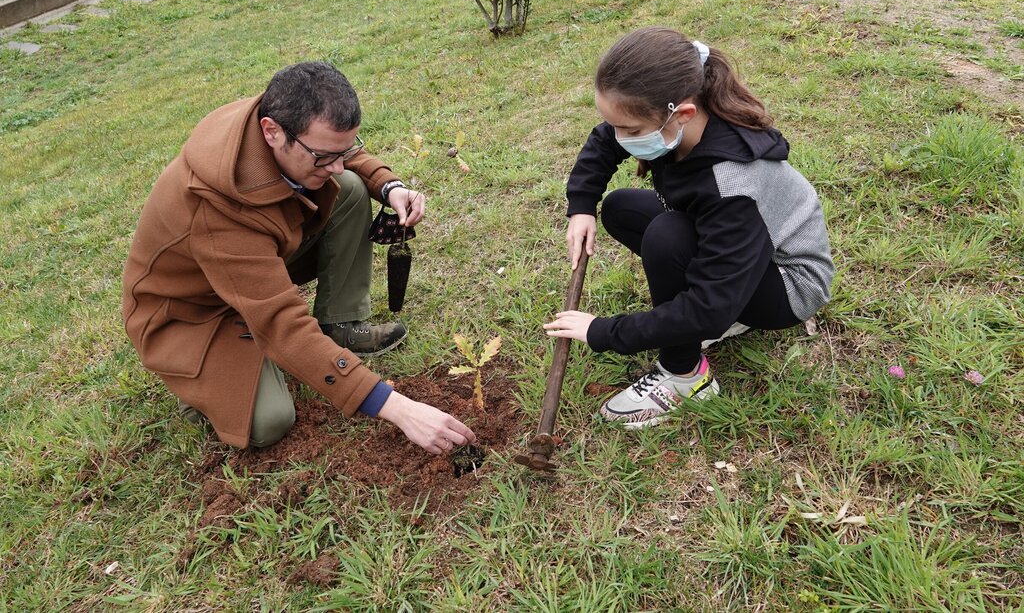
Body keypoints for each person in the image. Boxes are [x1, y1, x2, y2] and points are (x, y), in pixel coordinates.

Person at [122, 61, 475, 454]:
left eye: (343, 151)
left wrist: (388, 185)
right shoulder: (218, 206)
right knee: (270, 421)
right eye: (323, 157)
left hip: (248, 268)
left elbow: (337, 153)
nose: (336, 165)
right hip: (191, 313)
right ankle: (200, 387)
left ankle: (339, 324)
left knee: (349, 187)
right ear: (272, 132)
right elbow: (281, 322)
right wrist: (398, 408)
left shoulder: (283, 117)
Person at [544, 27, 834, 429]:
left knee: (667, 237)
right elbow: (605, 140)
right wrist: (581, 206)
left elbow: (707, 308)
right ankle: (721, 316)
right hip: (744, 256)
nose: (620, 139)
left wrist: (603, 331)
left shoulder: (733, 184)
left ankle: (684, 376)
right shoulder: (678, 120)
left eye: (631, 131)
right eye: (616, 125)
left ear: (682, 114)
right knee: (620, 209)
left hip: (788, 285)